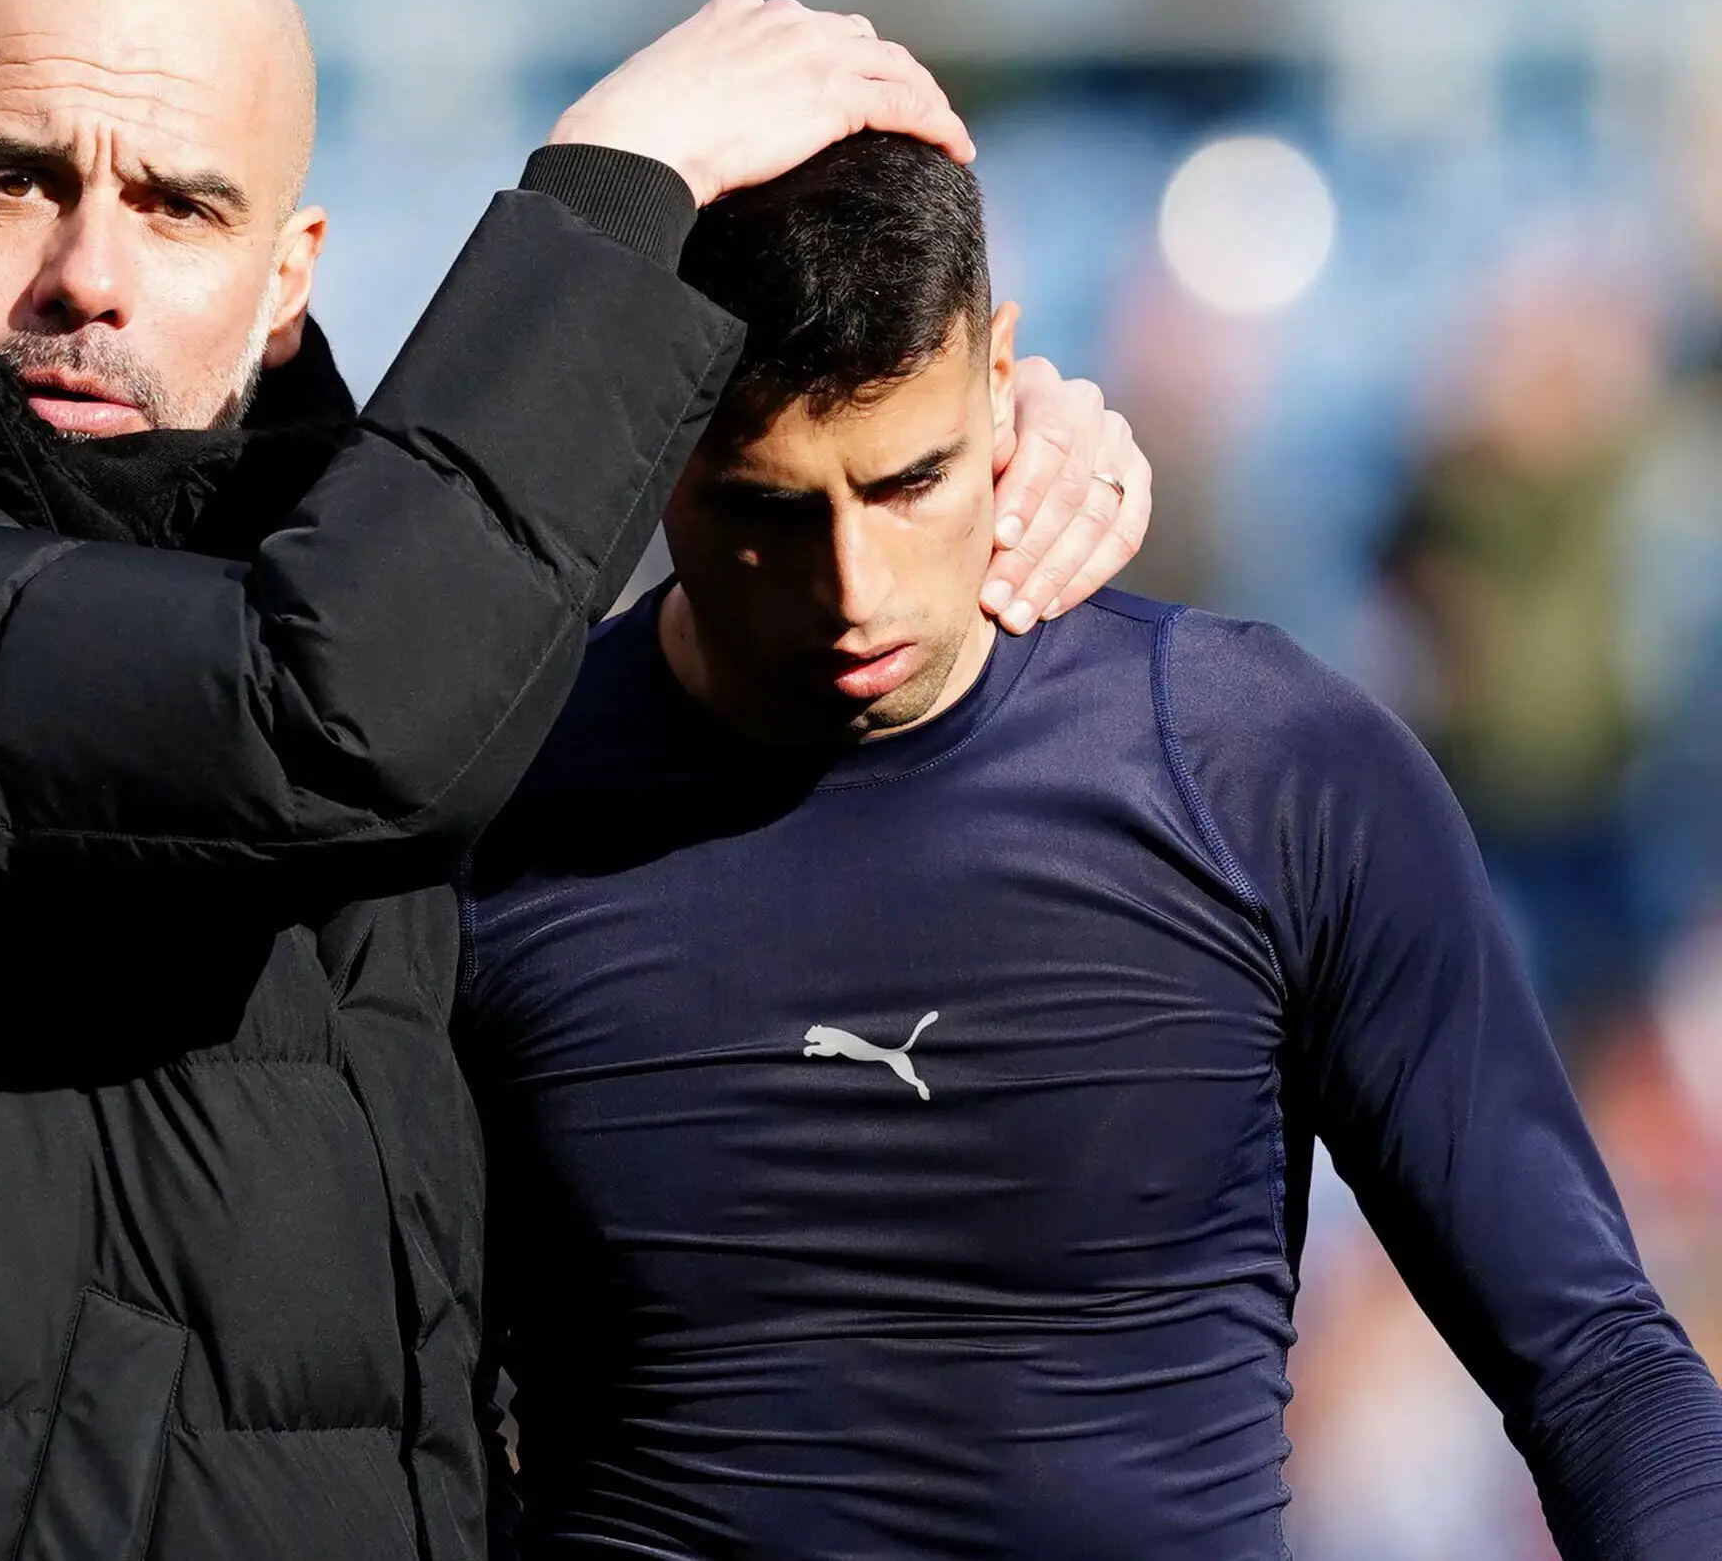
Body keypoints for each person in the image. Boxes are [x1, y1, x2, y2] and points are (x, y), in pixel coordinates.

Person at [0, 0, 1143, 1561]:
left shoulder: (327, 606)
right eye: (17, 180)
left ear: (287, 282)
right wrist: (616, 197)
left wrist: (978, 483)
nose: (86, 276)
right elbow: (324, 713)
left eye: (180, 207)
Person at [460, 132, 1722, 1559]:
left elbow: (1605, 1369)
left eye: (909, 483)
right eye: (768, 507)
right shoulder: (489, 811)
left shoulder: (1268, 775)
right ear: (655, 447)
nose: (853, 589)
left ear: (1001, 382)